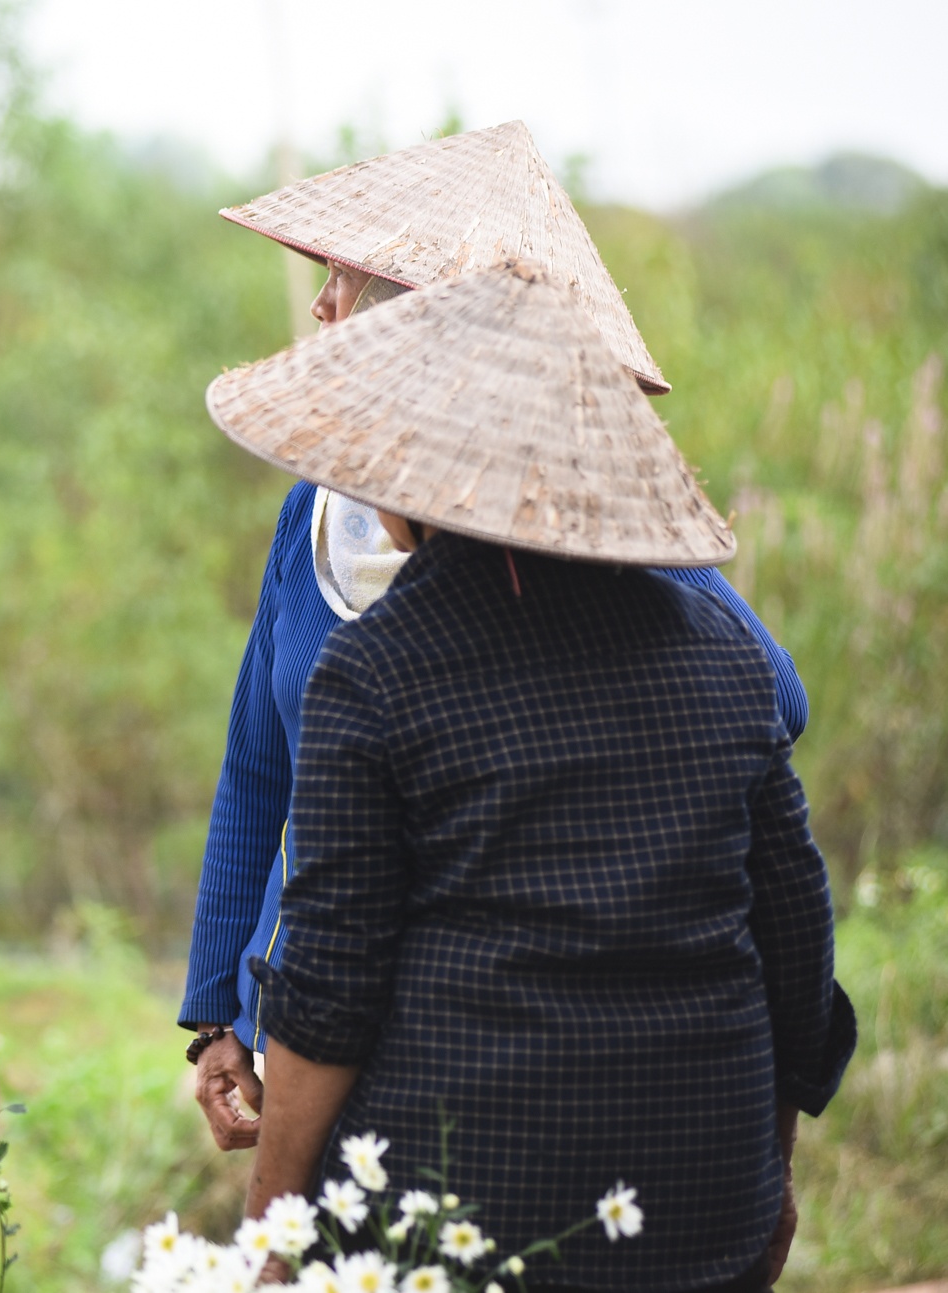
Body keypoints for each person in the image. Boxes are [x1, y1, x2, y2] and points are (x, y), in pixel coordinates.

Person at [210, 259, 852, 1291]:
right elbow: (796, 951)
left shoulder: (374, 674)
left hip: (463, 1224)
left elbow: (326, 994)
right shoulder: (724, 653)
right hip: (707, 1220)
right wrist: (763, 1173)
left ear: (415, 473)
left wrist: (272, 1239)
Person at [178, 122, 810, 1152]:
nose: (322, 305)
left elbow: (772, 699)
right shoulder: (314, 516)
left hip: (474, 1044)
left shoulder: (576, 533)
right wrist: (217, 1015)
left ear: (431, 332)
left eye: (345, 281)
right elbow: (258, 765)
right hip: (305, 1012)